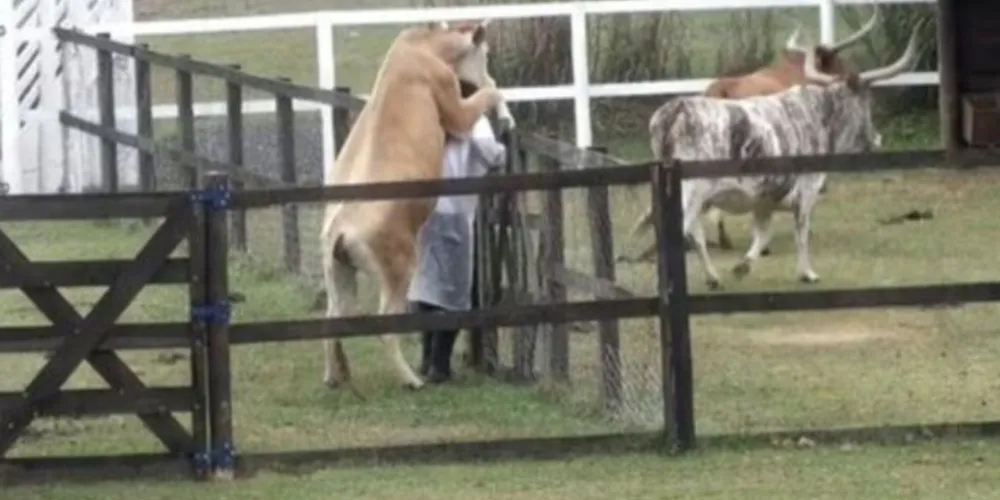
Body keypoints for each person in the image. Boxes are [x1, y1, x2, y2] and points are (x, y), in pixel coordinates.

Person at [408, 79, 508, 384]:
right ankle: (439, 364)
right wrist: (504, 139)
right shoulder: (472, 124)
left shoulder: (432, 122)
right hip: (454, 214)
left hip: (424, 211)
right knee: (452, 292)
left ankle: (427, 359)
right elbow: (491, 153)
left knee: (425, 285)